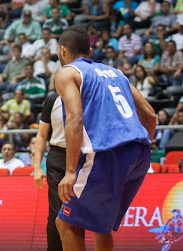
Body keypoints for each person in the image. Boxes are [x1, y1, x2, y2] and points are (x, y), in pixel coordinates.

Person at [54, 26, 156, 250]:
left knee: (66, 224)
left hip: (107, 154)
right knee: (100, 225)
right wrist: (140, 150)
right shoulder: (116, 72)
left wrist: (70, 172)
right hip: (139, 152)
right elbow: (150, 115)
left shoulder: (67, 72)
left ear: (62, 51)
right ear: (90, 51)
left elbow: (74, 120)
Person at [33, 92, 66, 251]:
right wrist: (37, 167)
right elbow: (41, 135)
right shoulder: (53, 100)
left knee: (80, 214)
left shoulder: (90, 96)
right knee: (57, 211)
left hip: (84, 157)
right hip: (58, 156)